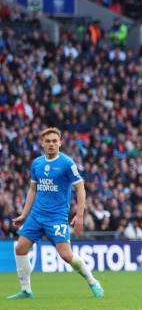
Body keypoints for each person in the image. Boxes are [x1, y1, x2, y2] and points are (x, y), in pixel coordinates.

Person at [8, 127, 104, 299]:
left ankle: (92, 281)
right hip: (36, 216)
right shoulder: (37, 163)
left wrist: (79, 214)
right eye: (48, 141)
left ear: (60, 143)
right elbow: (32, 190)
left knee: (66, 256)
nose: (51, 144)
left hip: (57, 217)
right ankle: (26, 290)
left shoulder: (67, 163)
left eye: (54, 141)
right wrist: (24, 214)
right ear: (42, 144)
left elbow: (80, 188)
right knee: (20, 248)